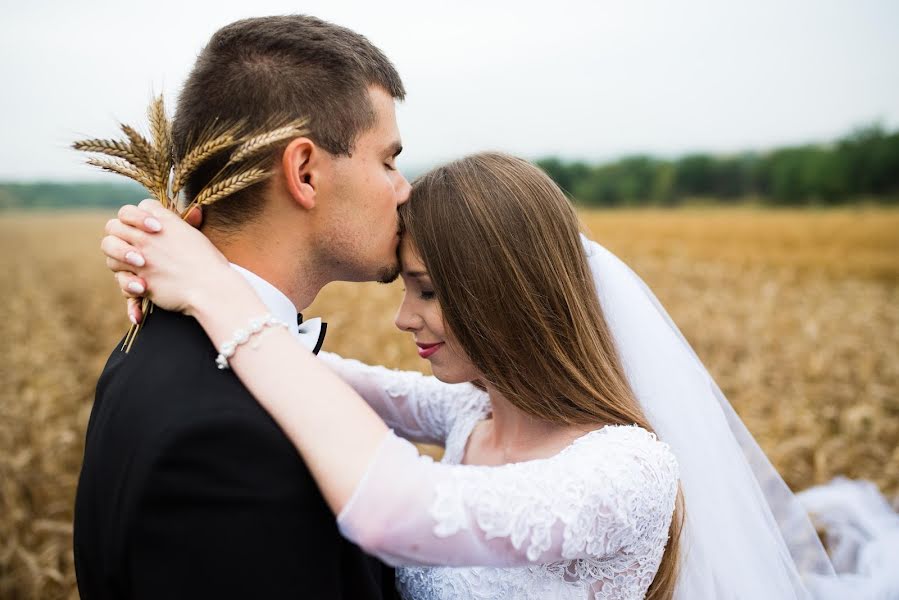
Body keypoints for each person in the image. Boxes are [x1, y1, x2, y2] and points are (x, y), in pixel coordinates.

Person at [102, 152, 867, 599]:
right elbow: (314, 374)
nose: (405, 318)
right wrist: (187, 284)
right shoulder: (469, 413)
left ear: (507, 290)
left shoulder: (627, 468)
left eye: (429, 290)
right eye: (405, 286)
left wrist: (215, 294)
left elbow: (395, 512)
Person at [73, 15, 409, 600]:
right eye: (388, 160)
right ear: (304, 172)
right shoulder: (224, 439)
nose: (403, 189)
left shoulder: (153, 348)